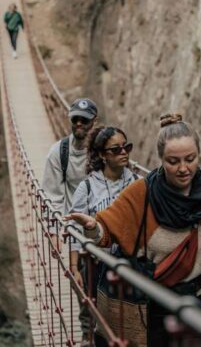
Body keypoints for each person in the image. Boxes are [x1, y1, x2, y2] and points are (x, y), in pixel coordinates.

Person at [67, 114, 201, 346]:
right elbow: (106, 232)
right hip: (158, 300)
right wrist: (92, 228)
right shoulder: (141, 192)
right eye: (173, 161)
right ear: (161, 159)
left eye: (190, 159)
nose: (184, 168)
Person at [68, 125, 141, 346]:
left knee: (126, 318)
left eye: (126, 147)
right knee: (93, 312)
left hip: (129, 262)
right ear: (102, 154)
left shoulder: (138, 183)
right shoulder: (88, 187)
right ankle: (88, 337)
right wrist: (73, 266)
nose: (124, 153)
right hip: (94, 262)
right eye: (115, 150)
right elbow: (74, 229)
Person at [42, 98, 98, 252]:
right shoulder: (59, 152)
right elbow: (51, 195)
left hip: (103, 224)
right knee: (78, 273)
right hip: (76, 229)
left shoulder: (103, 149)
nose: (79, 123)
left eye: (84, 119)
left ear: (95, 120)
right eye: (75, 118)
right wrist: (53, 233)